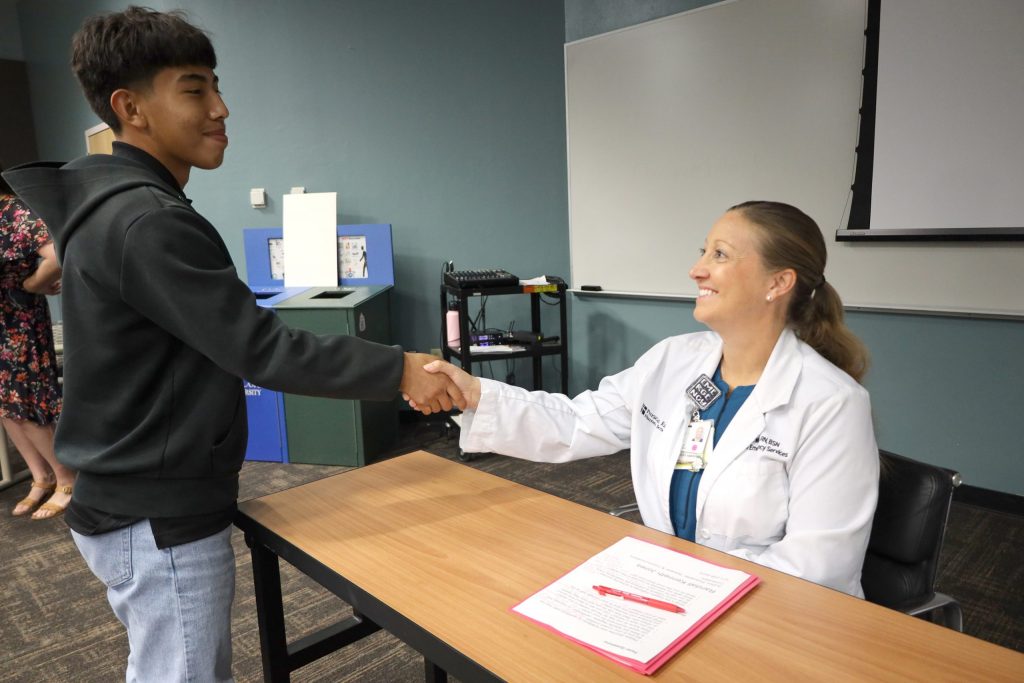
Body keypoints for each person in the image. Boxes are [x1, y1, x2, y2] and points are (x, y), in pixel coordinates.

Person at [3, 7, 463, 682]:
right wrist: (399, 368)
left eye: (216, 85)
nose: (221, 107)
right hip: (155, 515)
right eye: (194, 89)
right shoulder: (147, 221)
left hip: (132, 499)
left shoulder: (117, 208)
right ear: (131, 108)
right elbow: (265, 349)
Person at [417, 201, 879, 598]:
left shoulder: (832, 404)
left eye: (719, 254)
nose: (697, 268)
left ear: (777, 283)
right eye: (703, 251)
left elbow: (818, 569)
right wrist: (475, 393)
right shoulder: (673, 360)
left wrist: (694, 594)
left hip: (772, 618)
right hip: (671, 589)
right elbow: (579, 421)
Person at [0, 167, 73, 520]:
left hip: (18, 320)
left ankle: (65, 478)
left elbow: (58, 254)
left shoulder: (13, 211)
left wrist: (30, 286)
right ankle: (40, 477)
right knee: (5, 407)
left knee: (26, 403)